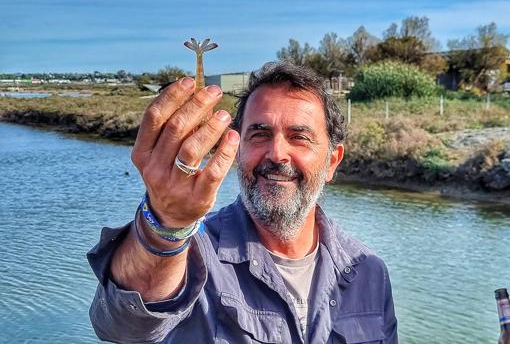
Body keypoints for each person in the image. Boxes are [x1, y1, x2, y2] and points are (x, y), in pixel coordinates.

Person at [87, 61, 398, 343]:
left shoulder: (369, 272)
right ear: (237, 149)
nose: (277, 154)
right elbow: (121, 325)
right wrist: (166, 225)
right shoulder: (193, 255)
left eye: (299, 137)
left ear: (332, 161)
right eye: (259, 134)